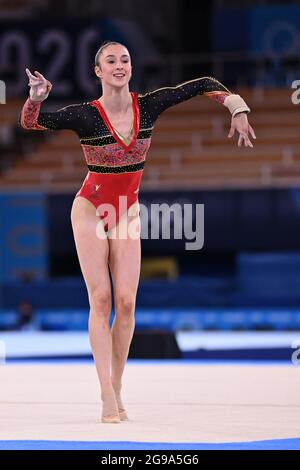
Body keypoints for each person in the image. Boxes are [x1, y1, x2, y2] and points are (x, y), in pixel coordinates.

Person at [20, 40, 256, 424]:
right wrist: (36, 97)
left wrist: (237, 107)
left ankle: (118, 385)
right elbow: (31, 123)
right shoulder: (84, 116)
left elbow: (202, 84)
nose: (119, 65)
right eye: (110, 60)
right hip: (91, 207)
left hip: (126, 210)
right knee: (101, 299)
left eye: (125, 60)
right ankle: (105, 395)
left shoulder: (147, 105)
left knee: (126, 303)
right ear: (98, 71)